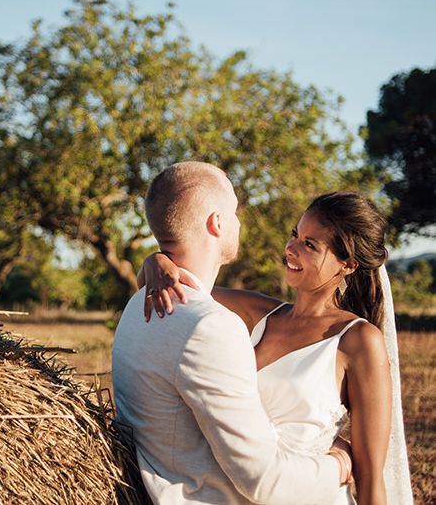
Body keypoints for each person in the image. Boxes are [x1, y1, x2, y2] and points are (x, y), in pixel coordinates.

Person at [139, 190, 413, 504]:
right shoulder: (256, 313)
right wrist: (156, 261)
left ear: (348, 264)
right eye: (295, 235)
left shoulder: (358, 340)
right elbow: (176, 290)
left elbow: (369, 476)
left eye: (310, 244)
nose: (291, 248)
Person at [112, 161, 351, 505]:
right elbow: (264, 480)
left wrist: (154, 260)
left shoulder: (139, 302)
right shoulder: (210, 327)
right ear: (217, 222)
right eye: (235, 211)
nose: (239, 221)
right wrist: (339, 465)